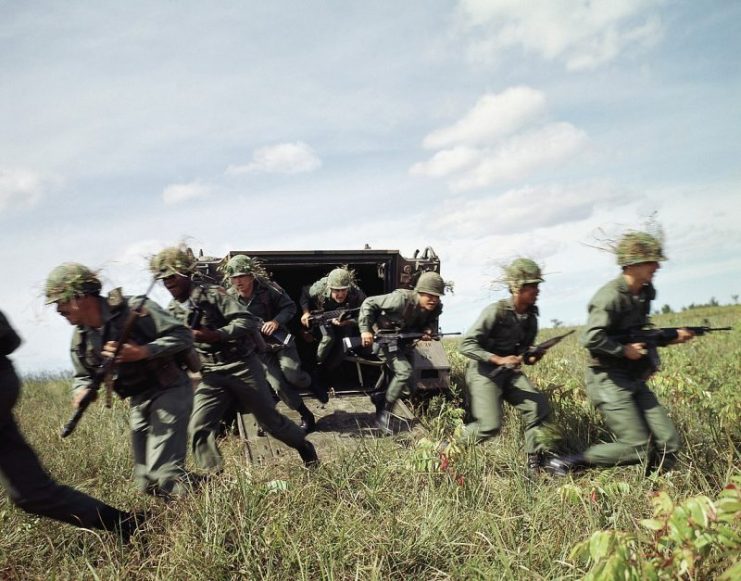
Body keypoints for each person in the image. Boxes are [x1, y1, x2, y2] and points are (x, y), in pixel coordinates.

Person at [150, 247, 318, 471]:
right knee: (199, 427)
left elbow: (246, 321)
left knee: (271, 423)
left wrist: (216, 334)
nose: (168, 282)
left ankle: (305, 447)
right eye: (163, 279)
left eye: (172, 276)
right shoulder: (172, 310)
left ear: (185, 274)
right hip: (210, 372)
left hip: (241, 366)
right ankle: (214, 477)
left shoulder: (214, 294)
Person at [547, 231, 694, 476]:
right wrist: (623, 350)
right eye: (651, 261)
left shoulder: (645, 293)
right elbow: (591, 337)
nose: (657, 266)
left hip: (633, 379)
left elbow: (637, 334)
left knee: (669, 442)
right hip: (608, 380)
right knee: (637, 448)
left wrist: (671, 337)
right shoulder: (610, 297)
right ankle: (570, 462)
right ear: (632, 263)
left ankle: (656, 493)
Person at [45, 263, 194, 499]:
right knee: (147, 482)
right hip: (139, 398)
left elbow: (183, 336)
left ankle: (197, 521)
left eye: (60, 302)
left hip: (170, 388)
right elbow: (83, 374)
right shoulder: (82, 337)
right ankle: (207, 486)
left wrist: (143, 351)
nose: (58, 310)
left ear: (80, 296)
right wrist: (82, 389)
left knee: (165, 474)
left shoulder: (135, 309)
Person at [0, 309, 139, 537]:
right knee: (30, 494)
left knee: (30, 491)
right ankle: (127, 524)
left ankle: (128, 524)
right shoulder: (81, 338)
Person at [458, 258, 556, 475]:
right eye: (532, 286)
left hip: (509, 373)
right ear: (517, 287)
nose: (537, 291)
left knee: (538, 408)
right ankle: (451, 451)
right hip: (485, 372)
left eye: (538, 286)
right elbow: (465, 344)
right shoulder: (496, 311)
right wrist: (498, 359)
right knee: (489, 426)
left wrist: (533, 356)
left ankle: (535, 465)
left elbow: (523, 353)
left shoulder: (531, 316)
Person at [223, 254, 317, 432]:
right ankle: (306, 415)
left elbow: (290, 307)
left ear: (251, 276)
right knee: (278, 384)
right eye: (233, 278)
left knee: (294, 376)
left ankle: (311, 382)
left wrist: (275, 322)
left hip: (280, 340)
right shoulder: (228, 298)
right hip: (258, 347)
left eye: (241, 276)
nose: (238, 281)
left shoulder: (269, 289)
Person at [358, 271, 444, 434]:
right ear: (419, 291)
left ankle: (381, 397)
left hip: (404, 343)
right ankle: (384, 413)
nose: (434, 299)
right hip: (385, 342)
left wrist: (428, 330)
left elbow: (431, 322)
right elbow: (369, 303)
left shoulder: (435, 307)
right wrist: (365, 330)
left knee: (410, 387)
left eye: (437, 296)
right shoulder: (400, 300)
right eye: (429, 295)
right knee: (404, 371)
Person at [300, 267, 366, 395]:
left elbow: (367, 315)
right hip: (322, 318)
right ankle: (314, 371)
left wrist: (347, 322)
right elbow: (304, 293)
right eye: (336, 291)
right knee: (328, 339)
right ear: (330, 288)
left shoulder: (357, 294)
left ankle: (327, 373)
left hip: (345, 321)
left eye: (343, 290)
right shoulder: (318, 289)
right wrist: (305, 312)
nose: (340, 295)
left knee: (344, 346)